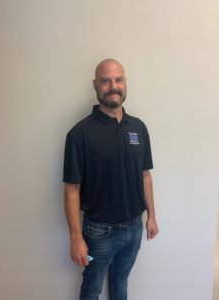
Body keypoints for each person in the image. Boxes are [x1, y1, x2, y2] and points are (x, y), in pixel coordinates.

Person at [63, 58, 159, 300]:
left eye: (118, 80)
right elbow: (72, 189)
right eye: (106, 81)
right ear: (95, 85)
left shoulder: (138, 127)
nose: (113, 86)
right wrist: (76, 237)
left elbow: (145, 175)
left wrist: (152, 217)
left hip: (135, 227)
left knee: (120, 281)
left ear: (125, 83)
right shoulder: (79, 134)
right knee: (91, 290)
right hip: (99, 232)